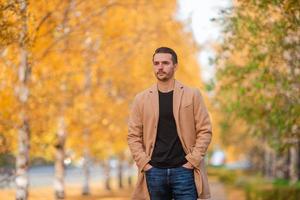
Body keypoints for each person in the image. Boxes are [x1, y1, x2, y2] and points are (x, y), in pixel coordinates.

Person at [127, 47, 212, 200]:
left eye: (165, 63)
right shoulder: (141, 99)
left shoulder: (192, 95)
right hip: (154, 172)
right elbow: (133, 136)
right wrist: (145, 164)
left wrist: (192, 161)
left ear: (175, 66)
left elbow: (205, 130)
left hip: (184, 171)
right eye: (156, 63)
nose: (160, 67)